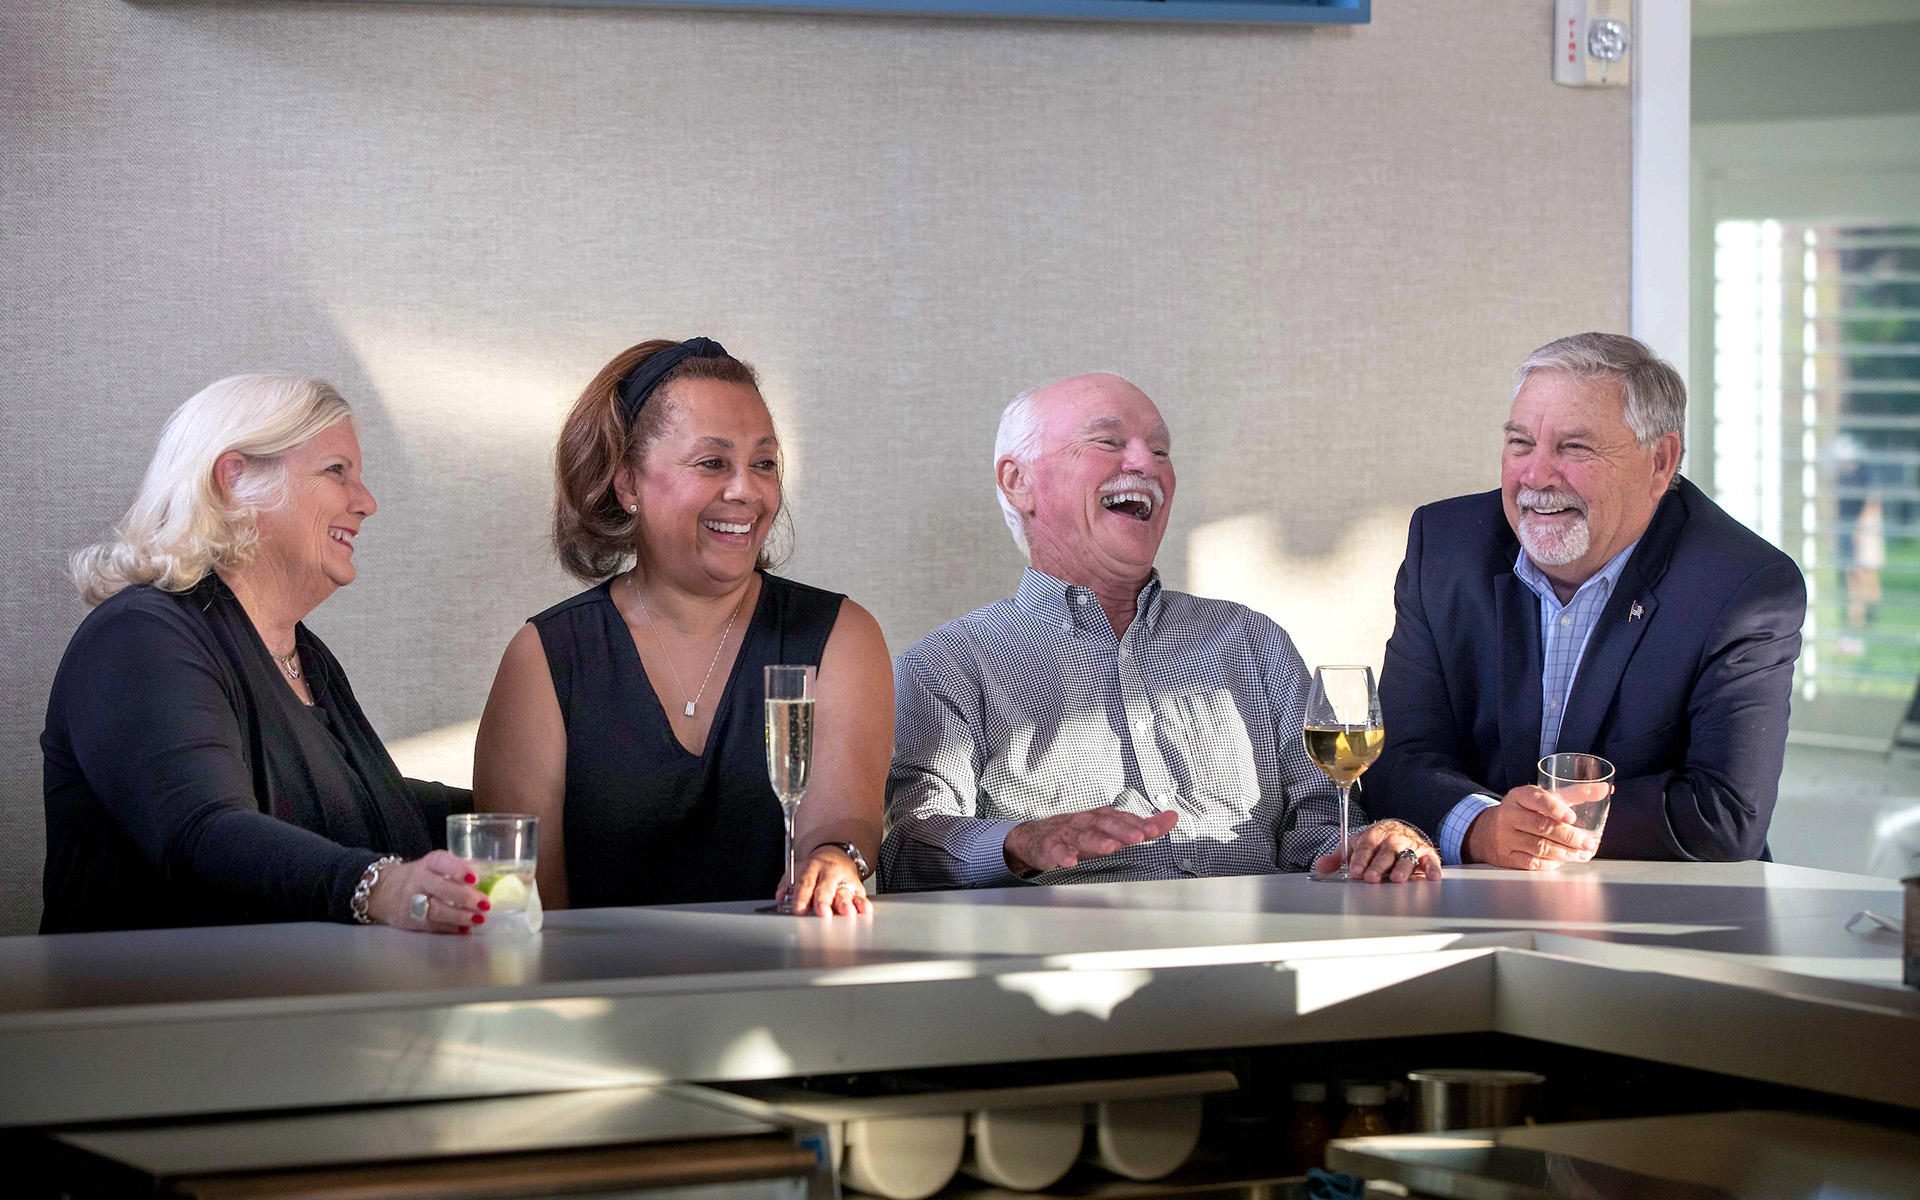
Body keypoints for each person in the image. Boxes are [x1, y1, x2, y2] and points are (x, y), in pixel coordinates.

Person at [882, 372, 1440, 890]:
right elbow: (906, 851)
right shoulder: (948, 665)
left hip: (1260, 945)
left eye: (1161, 450)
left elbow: (1320, 827)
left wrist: (1370, 846)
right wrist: (1020, 842)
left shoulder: (1253, 642)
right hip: (1074, 952)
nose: (1144, 463)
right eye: (1107, 441)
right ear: (1018, 482)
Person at [42, 375, 488, 934]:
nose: (366, 502)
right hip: (154, 991)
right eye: (337, 471)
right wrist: (379, 886)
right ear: (235, 480)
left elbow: (368, 804)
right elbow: (205, 831)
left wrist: (536, 809)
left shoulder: (306, 656)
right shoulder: (140, 635)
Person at [474, 338, 891, 916]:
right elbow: (523, 908)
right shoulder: (546, 658)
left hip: (785, 970)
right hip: (591, 974)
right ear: (628, 483)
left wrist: (834, 859)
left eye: (764, 464)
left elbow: (843, 824)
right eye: (712, 463)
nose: (747, 490)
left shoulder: (840, 635)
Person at [1363, 333, 1806, 869]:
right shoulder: (1445, 546)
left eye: (1574, 448)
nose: (1535, 475)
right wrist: (1482, 827)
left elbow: (1725, 815)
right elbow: (1396, 760)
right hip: (1470, 894)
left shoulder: (1743, 588)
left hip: (1658, 906)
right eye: (1521, 443)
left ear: (1660, 462)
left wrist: (1532, 831)